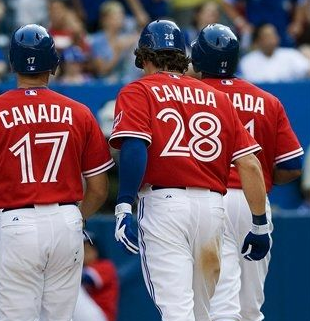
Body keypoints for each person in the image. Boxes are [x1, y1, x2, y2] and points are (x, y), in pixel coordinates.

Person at [0, 24, 114, 321]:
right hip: (66, 221)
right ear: (53, 64)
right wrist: (76, 218)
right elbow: (99, 189)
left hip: (16, 222)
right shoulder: (80, 112)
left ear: (13, 63)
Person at [109, 19, 271, 321]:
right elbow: (249, 162)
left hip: (164, 208)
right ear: (182, 55)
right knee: (208, 312)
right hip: (211, 208)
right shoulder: (218, 98)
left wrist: (122, 205)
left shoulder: (138, 90)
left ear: (144, 56)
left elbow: (134, 147)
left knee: (178, 312)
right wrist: (259, 224)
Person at [191, 23, 304, 321]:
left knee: (219, 304)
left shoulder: (190, 99)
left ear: (199, 57)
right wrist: (262, 176)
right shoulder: (267, 100)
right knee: (251, 306)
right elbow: (292, 167)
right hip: (253, 203)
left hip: (208, 198)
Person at [239, 23, 310, 83]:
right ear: (258, 40)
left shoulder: (291, 54)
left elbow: (306, 70)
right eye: (267, 36)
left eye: (273, 35)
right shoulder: (247, 61)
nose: (271, 39)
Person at [73, 233, 119, 321]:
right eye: (80, 250)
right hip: (84, 315)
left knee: (70, 285)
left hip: (101, 316)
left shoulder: (105, 266)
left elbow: (86, 278)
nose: (84, 254)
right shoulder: (81, 268)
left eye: (87, 249)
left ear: (95, 250)